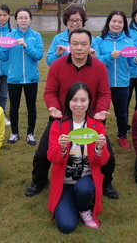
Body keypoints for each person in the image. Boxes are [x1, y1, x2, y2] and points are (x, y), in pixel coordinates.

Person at [25, 28, 118, 200]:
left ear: (90, 46)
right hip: (61, 119)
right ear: (69, 45)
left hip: (91, 119)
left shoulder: (99, 67)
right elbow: (50, 92)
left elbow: (105, 93)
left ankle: (107, 183)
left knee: (109, 155)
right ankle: (38, 181)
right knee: (42, 153)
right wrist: (54, 108)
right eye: (75, 44)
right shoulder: (57, 65)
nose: (79, 48)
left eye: (84, 44)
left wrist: (100, 111)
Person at [47, 82, 110, 233]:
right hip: (65, 183)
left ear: (89, 101)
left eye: (83, 100)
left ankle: (84, 209)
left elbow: (102, 162)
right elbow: (52, 158)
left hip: (86, 180)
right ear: (68, 101)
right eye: (74, 100)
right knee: (66, 226)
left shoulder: (96, 126)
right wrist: (62, 148)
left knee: (84, 189)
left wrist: (99, 149)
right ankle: (72, 201)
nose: (79, 105)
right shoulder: (58, 125)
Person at [0, 8, 43, 145]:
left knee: (31, 107)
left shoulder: (36, 36)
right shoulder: (10, 36)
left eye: (26, 18)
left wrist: (25, 45)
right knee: (14, 107)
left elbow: (38, 55)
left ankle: (30, 134)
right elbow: (4, 56)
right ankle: (14, 133)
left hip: (31, 78)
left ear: (30, 19)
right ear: (16, 20)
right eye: (20, 18)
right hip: (14, 78)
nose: (23, 20)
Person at [93, 10, 137, 149]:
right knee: (101, 111)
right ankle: (100, 137)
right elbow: (96, 61)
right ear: (108, 22)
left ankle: (122, 136)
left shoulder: (128, 41)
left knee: (121, 112)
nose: (116, 24)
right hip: (103, 83)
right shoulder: (99, 40)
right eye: (114, 21)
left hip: (122, 83)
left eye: (120, 22)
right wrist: (109, 57)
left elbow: (131, 63)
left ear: (124, 24)